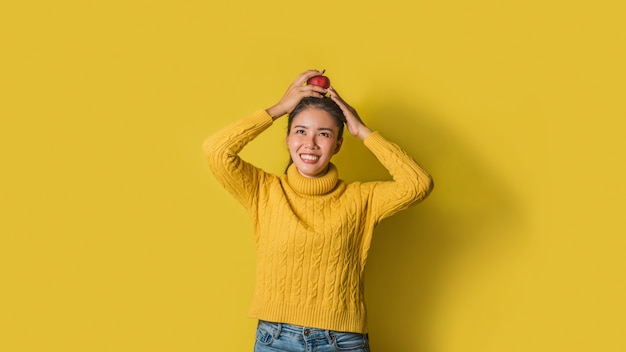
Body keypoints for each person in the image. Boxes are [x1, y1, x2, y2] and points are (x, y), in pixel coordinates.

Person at [203, 70, 433, 352]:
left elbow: (418, 184)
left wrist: (362, 131)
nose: (310, 143)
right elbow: (216, 150)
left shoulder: (362, 198)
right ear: (287, 138)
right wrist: (278, 109)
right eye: (301, 131)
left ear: (337, 143)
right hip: (275, 339)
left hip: (342, 342)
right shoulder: (263, 190)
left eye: (324, 134)